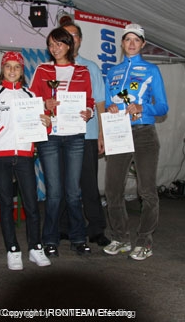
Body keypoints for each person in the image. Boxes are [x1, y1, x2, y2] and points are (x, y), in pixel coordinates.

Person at [0, 51, 51, 270]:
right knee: (6, 203)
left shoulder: (31, 95)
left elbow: (43, 129)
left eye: (16, 67)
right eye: (8, 66)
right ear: (2, 69)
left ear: (22, 71)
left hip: (25, 155)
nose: (12, 70)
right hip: (1, 155)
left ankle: (35, 247)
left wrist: (47, 122)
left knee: (31, 203)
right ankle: (12, 249)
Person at [102, 23, 168, 261]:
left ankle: (144, 241)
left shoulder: (151, 70)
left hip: (143, 134)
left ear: (142, 44)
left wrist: (143, 107)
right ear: (122, 43)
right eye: (127, 39)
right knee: (112, 189)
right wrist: (111, 107)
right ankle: (120, 238)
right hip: (118, 132)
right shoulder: (112, 72)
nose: (131, 43)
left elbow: (163, 107)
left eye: (136, 39)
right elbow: (109, 102)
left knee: (146, 190)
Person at [29, 27, 95, 257]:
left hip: (75, 134)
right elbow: (31, 99)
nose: (54, 48)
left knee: (73, 192)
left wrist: (88, 112)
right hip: (49, 136)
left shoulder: (83, 71)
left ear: (69, 45)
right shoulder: (42, 69)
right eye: (50, 44)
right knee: (54, 192)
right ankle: (50, 239)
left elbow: (89, 100)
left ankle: (79, 238)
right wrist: (43, 104)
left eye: (58, 44)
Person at [59, 22, 111, 247]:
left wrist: (102, 133)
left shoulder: (91, 68)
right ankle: (62, 227)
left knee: (89, 185)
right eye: (66, 35)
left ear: (80, 40)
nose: (71, 39)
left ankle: (96, 229)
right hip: (60, 135)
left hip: (87, 135)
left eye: (74, 35)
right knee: (62, 184)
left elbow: (100, 103)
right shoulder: (52, 68)